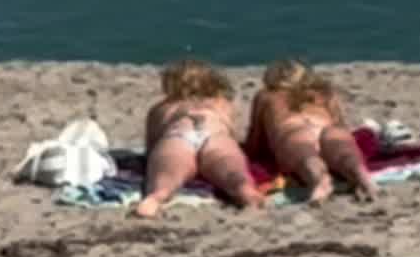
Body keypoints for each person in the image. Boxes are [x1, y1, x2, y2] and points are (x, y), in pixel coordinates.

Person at [245, 58, 378, 208]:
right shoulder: (324, 93)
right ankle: (363, 177)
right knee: (342, 148)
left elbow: (255, 139)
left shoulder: (266, 95)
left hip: (293, 129)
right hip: (325, 126)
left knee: (306, 156)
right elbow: (340, 124)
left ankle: (320, 180)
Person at [135, 60, 258, 220]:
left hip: (179, 136)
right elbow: (232, 136)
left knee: (167, 177)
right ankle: (245, 191)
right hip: (215, 136)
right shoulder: (223, 104)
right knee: (233, 173)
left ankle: (156, 197)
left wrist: (157, 160)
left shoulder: (162, 107)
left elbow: (152, 146)